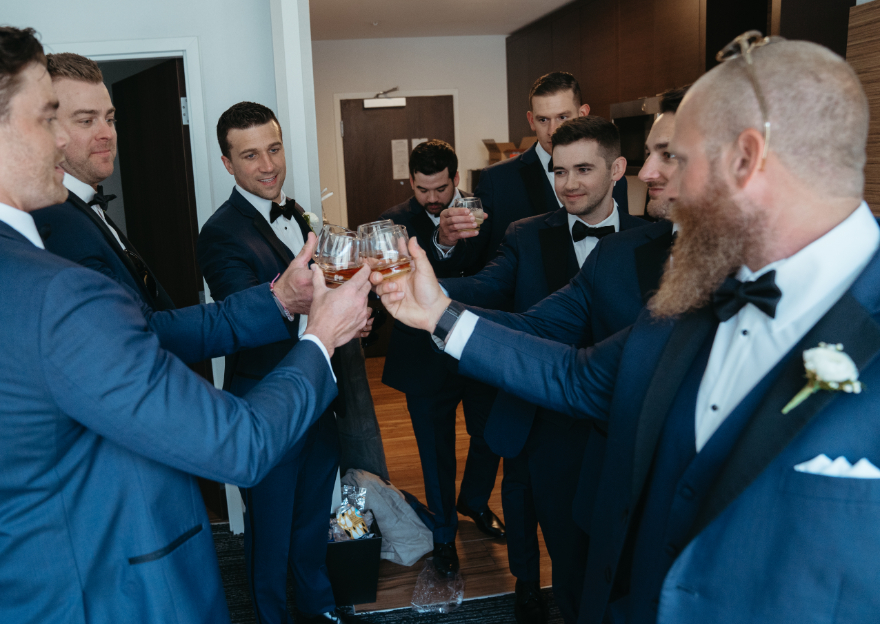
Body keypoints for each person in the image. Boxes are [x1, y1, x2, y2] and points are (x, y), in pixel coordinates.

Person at [375, 34, 880, 623]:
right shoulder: (696, 294)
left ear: (746, 159)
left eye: (677, 159)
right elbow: (575, 376)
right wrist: (439, 314)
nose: (649, 175)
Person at [0, 24, 372, 624]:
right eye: (48, 118)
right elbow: (239, 446)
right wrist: (322, 334)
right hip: (115, 598)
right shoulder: (57, 293)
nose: (64, 138)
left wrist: (278, 302)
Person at [440, 116, 647, 624]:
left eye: (583, 169)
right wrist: (424, 289)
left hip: (625, 430)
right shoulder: (526, 235)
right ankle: (534, 589)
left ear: (618, 169)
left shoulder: (652, 241)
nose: (569, 184)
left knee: (627, 563)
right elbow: (487, 291)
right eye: (559, 171)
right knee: (564, 556)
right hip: (547, 425)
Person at [196, 102, 371, 624]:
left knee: (313, 521)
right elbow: (244, 315)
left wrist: (350, 319)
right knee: (269, 533)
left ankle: (319, 612)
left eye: (274, 149)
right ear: (228, 164)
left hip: (320, 395)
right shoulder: (220, 233)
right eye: (250, 155)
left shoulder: (299, 215)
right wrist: (323, 317)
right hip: (264, 402)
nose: (267, 164)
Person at [378, 140, 505, 577]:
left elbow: (496, 272)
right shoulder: (394, 223)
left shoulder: (486, 213)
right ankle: (444, 534)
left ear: (456, 180)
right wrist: (440, 243)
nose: (432, 199)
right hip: (423, 357)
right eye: (422, 189)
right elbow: (407, 277)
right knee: (435, 453)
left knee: (491, 434)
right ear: (410, 183)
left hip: (477, 347)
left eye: (440, 189)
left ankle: (474, 499)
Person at [32, 52, 178, 314]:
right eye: (87, 121)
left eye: (110, 119)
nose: (107, 134)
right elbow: (138, 329)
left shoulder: (87, 203)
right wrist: (274, 300)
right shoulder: (57, 223)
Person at [468, 72, 630, 268]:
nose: (553, 130)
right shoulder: (497, 179)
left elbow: (621, 246)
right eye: (543, 120)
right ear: (531, 120)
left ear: (583, 114)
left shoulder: (614, 179)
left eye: (563, 117)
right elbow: (470, 256)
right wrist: (444, 241)